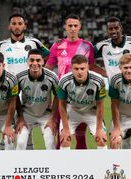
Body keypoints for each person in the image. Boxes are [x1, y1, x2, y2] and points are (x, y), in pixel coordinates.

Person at [45, 14, 105, 150]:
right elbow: (48, 68)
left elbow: (91, 66)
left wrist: (107, 74)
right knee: (62, 137)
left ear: (79, 27)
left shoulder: (87, 46)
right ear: (65, 27)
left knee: (81, 136)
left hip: (82, 95)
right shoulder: (58, 46)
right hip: (62, 95)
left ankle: (81, 169)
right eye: (70, 26)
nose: (72, 28)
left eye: (75, 26)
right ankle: (61, 168)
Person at [0, 13, 50, 150]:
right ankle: (3, 150)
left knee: (25, 125)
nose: (17, 26)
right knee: (9, 126)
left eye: (20, 24)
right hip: (7, 91)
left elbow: (50, 55)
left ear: (24, 26)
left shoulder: (34, 43)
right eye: (14, 23)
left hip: (27, 89)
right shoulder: (1, 45)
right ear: (9, 26)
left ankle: (26, 153)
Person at [58, 54, 107, 150]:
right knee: (65, 139)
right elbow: (61, 105)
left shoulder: (98, 80)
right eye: (76, 69)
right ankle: (64, 165)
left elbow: (100, 105)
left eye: (82, 68)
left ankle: (103, 165)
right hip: (72, 112)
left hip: (91, 112)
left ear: (88, 67)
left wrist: (99, 129)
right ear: (71, 68)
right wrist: (66, 129)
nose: (79, 72)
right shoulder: (64, 81)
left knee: (101, 139)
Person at [15, 49, 58, 150]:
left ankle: (53, 165)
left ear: (43, 61)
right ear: (27, 61)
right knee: (21, 143)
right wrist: (20, 117)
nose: (35, 63)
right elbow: (14, 97)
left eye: (38, 60)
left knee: (50, 142)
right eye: (32, 60)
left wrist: (52, 118)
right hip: (26, 114)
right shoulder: (20, 77)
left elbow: (58, 96)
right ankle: (18, 165)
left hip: (45, 114)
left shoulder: (52, 77)